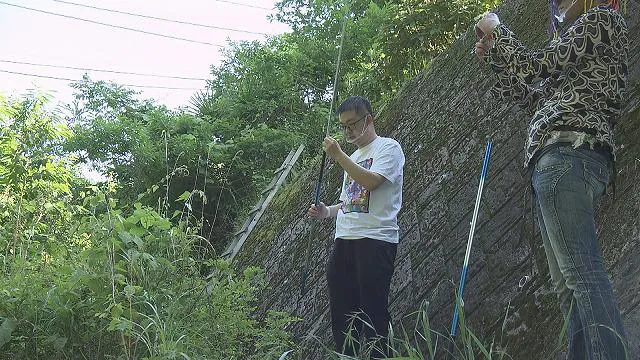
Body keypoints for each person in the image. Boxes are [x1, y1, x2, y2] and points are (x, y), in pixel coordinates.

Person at [474, 0, 628, 358]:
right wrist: (495, 58)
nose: (559, 4)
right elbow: (529, 98)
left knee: (582, 279)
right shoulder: (580, 55)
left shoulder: (602, 19)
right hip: (560, 160)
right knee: (568, 288)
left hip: (568, 155)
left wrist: (498, 30)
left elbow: (534, 67)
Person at [307, 96, 405, 358]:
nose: (347, 130)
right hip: (344, 240)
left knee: (373, 312)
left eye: (352, 124)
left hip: (375, 240)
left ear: (368, 119)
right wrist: (327, 211)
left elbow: (372, 182)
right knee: (342, 316)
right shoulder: (352, 157)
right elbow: (350, 202)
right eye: (343, 126)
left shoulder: (388, 148)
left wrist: (338, 155)